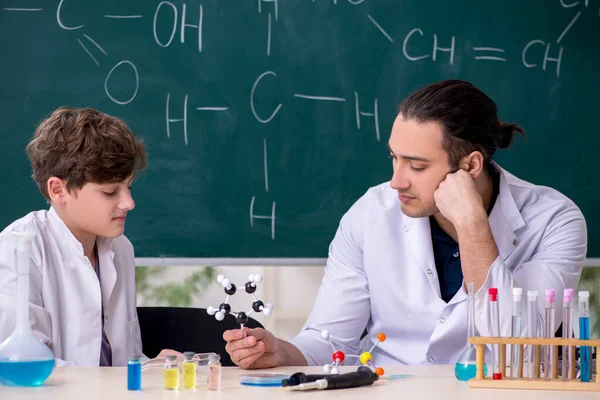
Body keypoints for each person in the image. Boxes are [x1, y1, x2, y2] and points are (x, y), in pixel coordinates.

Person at [223, 79, 587, 368]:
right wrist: (282, 354)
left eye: (416, 165)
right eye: (393, 158)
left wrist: (473, 224)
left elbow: (518, 349)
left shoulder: (554, 220)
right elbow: (331, 341)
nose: (397, 181)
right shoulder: (370, 213)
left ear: (471, 166)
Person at [0, 107, 147, 366]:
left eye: (129, 186)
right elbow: (21, 363)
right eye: (110, 192)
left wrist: (153, 365)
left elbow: (122, 362)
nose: (129, 202)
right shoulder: (20, 248)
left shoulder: (120, 249)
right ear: (58, 190)